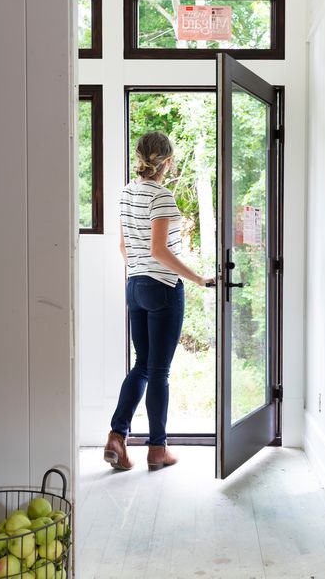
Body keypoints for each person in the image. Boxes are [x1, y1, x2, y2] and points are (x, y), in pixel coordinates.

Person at [104, 131, 215, 471]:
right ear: (168, 161)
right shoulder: (162, 196)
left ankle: (116, 437)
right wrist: (198, 278)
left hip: (134, 285)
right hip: (163, 288)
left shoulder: (126, 193)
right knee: (158, 372)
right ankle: (157, 449)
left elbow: (125, 248)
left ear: (140, 158)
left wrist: (140, 272)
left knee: (141, 365)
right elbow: (159, 249)